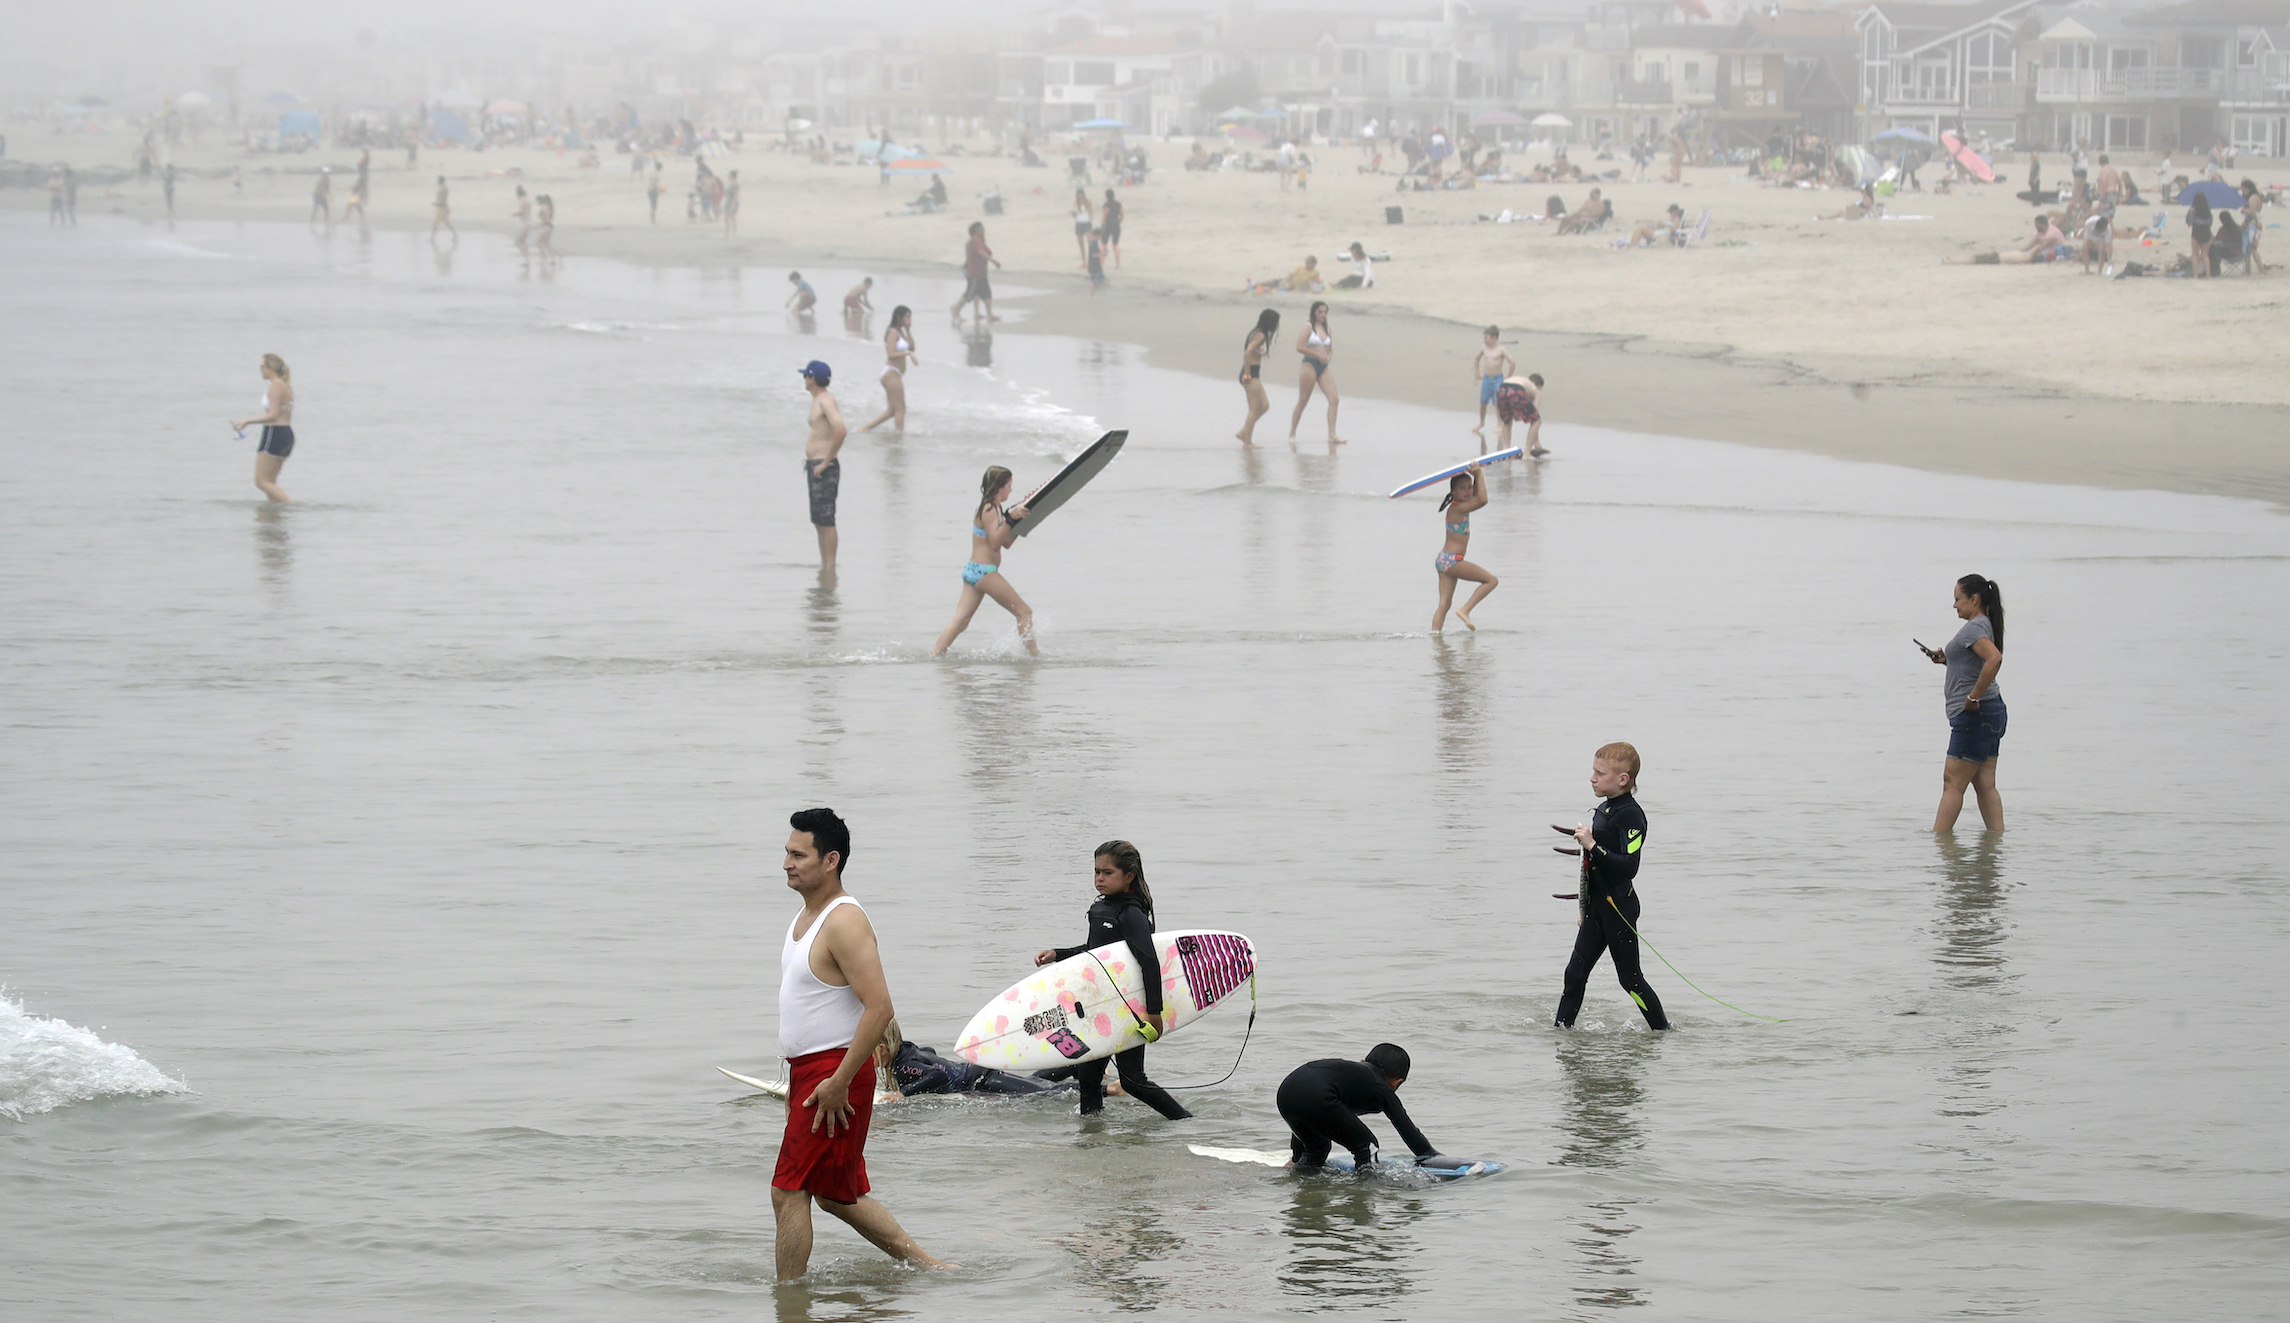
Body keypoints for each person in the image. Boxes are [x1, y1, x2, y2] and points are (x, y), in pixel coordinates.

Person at [771, 808, 950, 1283]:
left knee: (788, 1191)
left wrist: (838, 1081)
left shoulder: (844, 921)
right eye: (786, 853)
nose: (787, 863)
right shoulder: (806, 917)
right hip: (812, 1074)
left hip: (834, 1073)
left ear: (831, 860)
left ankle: (789, 1302)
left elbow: (880, 1008)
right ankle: (931, 1269)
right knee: (836, 1194)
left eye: (798, 855)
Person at [1030, 841, 1192, 1121]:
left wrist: (1154, 1013)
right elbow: (1095, 953)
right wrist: (1058, 954)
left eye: (1107, 873)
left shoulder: (1131, 913)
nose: (1100, 879)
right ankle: (1093, 1136)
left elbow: (1149, 962)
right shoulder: (1101, 909)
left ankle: (1185, 1121)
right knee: (1088, 1078)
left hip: (1129, 1008)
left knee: (1132, 1080)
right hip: (1101, 1005)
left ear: (1129, 876)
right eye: (1096, 872)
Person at [1554, 742, 1670, 1031]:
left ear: (1623, 779)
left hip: (1619, 909)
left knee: (1630, 981)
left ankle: (1662, 1032)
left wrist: (1592, 844)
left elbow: (1629, 866)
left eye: (1600, 773)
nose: (1592, 778)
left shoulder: (1631, 815)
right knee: (1574, 974)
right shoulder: (1604, 808)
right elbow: (1592, 868)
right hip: (1597, 908)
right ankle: (1561, 1033)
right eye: (1593, 771)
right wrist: (1584, 908)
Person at [1924, 574, 2005, 832]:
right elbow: (1975, 663)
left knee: (1952, 782)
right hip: (1992, 711)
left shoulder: (1974, 628)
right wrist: (1948, 660)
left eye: (1957, 599)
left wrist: (1972, 698)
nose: (1954, 605)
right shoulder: (1984, 624)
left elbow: (1994, 659)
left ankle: (1940, 842)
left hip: (1975, 715)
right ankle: (1996, 842)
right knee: (1985, 783)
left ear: (1974, 599)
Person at [1276, 1045, 1439, 1170]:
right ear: (1397, 1083)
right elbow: (1409, 1132)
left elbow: (1309, 1099)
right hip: (1317, 1096)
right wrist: (1432, 1156)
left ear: (1363, 1062)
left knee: (1316, 1150)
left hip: (1286, 1093)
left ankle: (1292, 1173)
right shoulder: (1382, 1088)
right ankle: (1364, 1192)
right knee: (1367, 1147)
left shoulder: (1351, 1073)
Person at [930, 465, 1036, 657]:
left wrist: (1021, 520)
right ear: (999, 487)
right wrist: (1010, 519)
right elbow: (995, 544)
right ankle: (1033, 658)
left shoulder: (997, 509)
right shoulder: (988, 508)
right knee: (1024, 612)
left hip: (974, 571)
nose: (1011, 490)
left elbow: (1006, 542)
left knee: (961, 622)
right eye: (1009, 486)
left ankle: (935, 656)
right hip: (984, 572)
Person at [873, 1023, 1075, 1099]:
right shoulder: (907, 1050)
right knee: (1034, 1083)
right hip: (979, 1073)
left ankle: (1094, 1084)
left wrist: (903, 1093)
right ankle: (1076, 1066)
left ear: (883, 1049)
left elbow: (938, 1074)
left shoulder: (903, 1067)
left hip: (981, 1082)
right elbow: (929, 1052)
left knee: (1043, 1094)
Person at [1430, 463, 1497, 633]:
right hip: (1452, 561)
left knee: (1444, 604)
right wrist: (1479, 475)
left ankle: (1435, 637)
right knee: (1491, 581)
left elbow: (1477, 496)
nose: (1467, 491)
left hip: (1444, 560)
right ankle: (1465, 610)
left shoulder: (1461, 505)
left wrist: (1476, 477)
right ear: (1453, 492)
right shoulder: (1457, 508)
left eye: (1469, 487)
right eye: (1462, 488)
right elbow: (1483, 500)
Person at [799, 361, 847, 570]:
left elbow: (841, 430)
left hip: (824, 467)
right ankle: (825, 566)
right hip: (816, 466)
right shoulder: (818, 400)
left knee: (826, 520)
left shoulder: (826, 401)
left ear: (812, 378)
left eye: (805, 376)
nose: (804, 380)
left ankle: (830, 567)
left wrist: (827, 461)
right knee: (819, 521)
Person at [1286, 301, 1344, 446]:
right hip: (1309, 364)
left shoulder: (1327, 328)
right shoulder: (1308, 327)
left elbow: (1330, 349)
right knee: (1303, 400)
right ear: (1314, 313)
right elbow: (1299, 346)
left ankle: (1332, 434)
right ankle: (1292, 433)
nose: (1323, 314)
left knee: (1334, 399)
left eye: (1325, 312)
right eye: (1320, 311)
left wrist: (1328, 356)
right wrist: (1317, 355)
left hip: (1323, 366)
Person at [859, 306, 916, 434]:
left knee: (891, 411)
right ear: (899, 317)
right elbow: (891, 354)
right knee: (901, 408)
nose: (909, 319)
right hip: (891, 373)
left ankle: (865, 428)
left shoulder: (901, 332)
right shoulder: (892, 332)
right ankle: (899, 436)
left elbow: (912, 347)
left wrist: (908, 330)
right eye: (907, 317)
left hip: (896, 373)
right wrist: (907, 353)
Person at [1942, 213, 2065, 265]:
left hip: (2002, 258)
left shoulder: (2051, 233)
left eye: (2037, 225)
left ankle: (1952, 261)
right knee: (1976, 259)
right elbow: (2031, 244)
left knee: (1976, 259)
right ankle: (1953, 260)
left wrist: (2031, 250)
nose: (2035, 228)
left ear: (2042, 224)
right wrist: (2021, 250)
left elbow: (2041, 246)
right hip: (2006, 257)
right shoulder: (2040, 233)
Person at [1237, 308, 1280, 447]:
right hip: (1250, 372)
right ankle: (1247, 442)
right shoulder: (1260, 335)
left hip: (1255, 372)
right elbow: (1247, 353)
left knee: (1265, 406)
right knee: (1254, 408)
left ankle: (1243, 432)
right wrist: (1247, 373)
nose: (1277, 325)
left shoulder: (1259, 333)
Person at [952, 222, 1001, 324]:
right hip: (974, 274)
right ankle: (955, 311)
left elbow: (985, 251)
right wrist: (993, 261)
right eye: (982, 228)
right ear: (977, 230)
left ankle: (990, 314)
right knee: (969, 294)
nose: (984, 230)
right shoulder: (975, 240)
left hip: (981, 273)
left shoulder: (980, 240)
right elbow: (981, 253)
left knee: (987, 293)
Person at [1472, 326, 1514, 439]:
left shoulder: (1501, 349)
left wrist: (1508, 377)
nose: (1484, 340)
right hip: (1486, 378)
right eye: (1484, 338)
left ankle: (1500, 424)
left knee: (1497, 403)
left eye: (1487, 338)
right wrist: (1477, 374)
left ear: (1494, 338)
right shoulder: (1484, 348)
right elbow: (1477, 358)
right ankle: (1481, 422)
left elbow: (1512, 362)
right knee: (1483, 402)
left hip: (1497, 379)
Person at [1496, 371, 1545, 456]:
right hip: (1516, 391)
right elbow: (1534, 417)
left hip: (1501, 389)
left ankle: (1507, 451)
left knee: (1507, 421)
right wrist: (1536, 442)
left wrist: (1516, 415)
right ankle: (1527, 454)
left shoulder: (1522, 381)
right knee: (1537, 421)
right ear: (1538, 386)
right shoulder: (1535, 390)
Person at [1099, 189, 1124, 268]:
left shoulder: (1107, 205)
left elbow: (1104, 216)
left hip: (1108, 226)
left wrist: (1102, 226)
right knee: (1115, 245)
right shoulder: (1118, 204)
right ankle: (1117, 264)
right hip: (1116, 225)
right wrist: (1119, 222)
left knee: (1104, 245)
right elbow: (1122, 216)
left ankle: (1102, 262)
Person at [1071, 188, 1093, 266]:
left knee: (1090, 242)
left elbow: (1091, 212)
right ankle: (1084, 261)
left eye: (1081, 194)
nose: (1080, 196)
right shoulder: (1076, 203)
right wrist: (1073, 213)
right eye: (1079, 195)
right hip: (1079, 223)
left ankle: (1091, 259)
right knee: (1081, 244)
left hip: (1086, 223)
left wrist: (1091, 219)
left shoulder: (1088, 202)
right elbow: (1075, 216)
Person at [429, 176, 454, 242]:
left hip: (441, 208)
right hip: (442, 207)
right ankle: (455, 235)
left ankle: (432, 238)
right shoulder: (444, 188)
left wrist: (437, 204)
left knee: (436, 223)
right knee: (446, 223)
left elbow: (442, 199)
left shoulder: (442, 189)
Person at [1085, 227, 1107, 296]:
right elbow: (1093, 255)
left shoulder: (1094, 242)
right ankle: (1093, 294)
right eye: (1100, 235)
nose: (1101, 237)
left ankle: (1093, 292)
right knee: (1095, 281)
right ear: (1097, 235)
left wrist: (1101, 253)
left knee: (1100, 279)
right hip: (1093, 266)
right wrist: (1102, 254)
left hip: (1096, 265)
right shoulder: (1093, 243)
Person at [511, 185, 532, 255]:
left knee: (517, 241)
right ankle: (527, 258)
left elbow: (522, 211)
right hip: (527, 222)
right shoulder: (526, 200)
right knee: (523, 241)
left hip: (525, 223)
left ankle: (526, 257)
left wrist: (515, 214)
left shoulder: (522, 200)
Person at [722, 169, 740, 237]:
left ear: (732, 176)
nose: (728, 176)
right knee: (726, 218)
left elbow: (736, 195)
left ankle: (733, 233)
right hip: (728, 202)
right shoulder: (730, 184)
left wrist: (733, 204)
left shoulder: (735, 184)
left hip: (732, 202)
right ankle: (727, 232)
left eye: (729, 175)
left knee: (732, 218)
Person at [646, 159, 664, 224]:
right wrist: (660, 190)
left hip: (650, 190)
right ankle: (653, 220)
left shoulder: (652, 173)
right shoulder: (656, 174)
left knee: (653, 206)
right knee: (654, 206)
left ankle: (652, 219)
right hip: (653, 191)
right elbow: (654, 185)